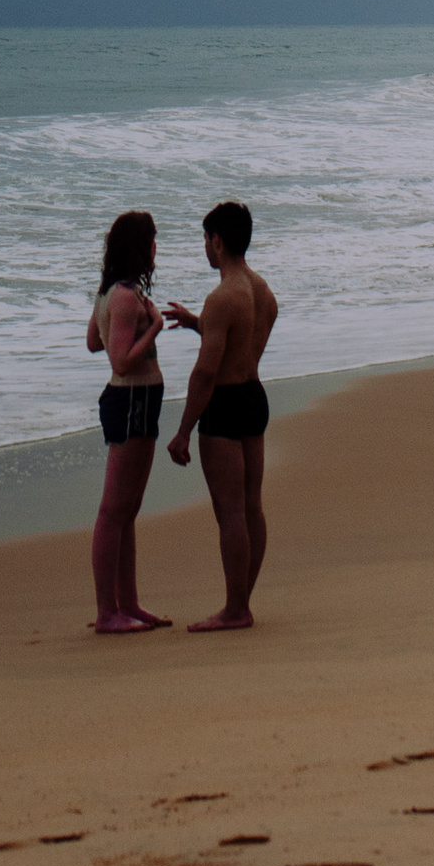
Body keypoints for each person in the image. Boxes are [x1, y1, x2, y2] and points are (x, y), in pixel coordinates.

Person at [163, 199, 277, 632]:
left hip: (225, 407)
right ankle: (241, 601)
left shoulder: (221, 297)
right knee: (251, 507)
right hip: (253, 397)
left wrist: (182, 431)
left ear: (218, 241)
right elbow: (240, 343)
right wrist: (198, 324)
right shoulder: (263, 292)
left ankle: (235, 609)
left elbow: (206, 372)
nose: (205, 249)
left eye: (206, 240)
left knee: (229, 512)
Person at [85, 208, 173, 635]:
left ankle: (128, 603)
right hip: (131, 397)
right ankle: (108, 612)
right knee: (113, 509)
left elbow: (91, 341)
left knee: (128, 509)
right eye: (153, 242)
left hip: (137, 399)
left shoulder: (112, 292)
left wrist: (134, 320)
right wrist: (153, 326)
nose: (156, 250)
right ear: (140, 248)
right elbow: (119, 361)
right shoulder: (123, 296)